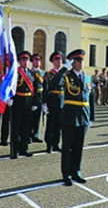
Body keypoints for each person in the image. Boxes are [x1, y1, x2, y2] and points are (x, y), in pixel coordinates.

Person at [52, 49, 95, 186]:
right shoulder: (66, 76)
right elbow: (54, 83)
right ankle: (66, 173)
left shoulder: (88, 78)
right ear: (73, 62)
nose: (81, 63)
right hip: (70, 117)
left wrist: (91, 118)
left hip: (83, 117)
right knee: (67, 147)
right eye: (77, 60)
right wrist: (64, 67)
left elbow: (91, 99)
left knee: (78, 147)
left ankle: (77, 171)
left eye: (82, 60)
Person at [10, 51, 35, 159]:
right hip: (18, 102)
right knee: (16, 127)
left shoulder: (31, 73)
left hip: (28, 102)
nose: (25, 62)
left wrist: (35, 103)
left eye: (27, 60)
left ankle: (24, 148)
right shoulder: (15, 73)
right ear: (19, 61)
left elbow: (35, 89)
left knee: (26, 127)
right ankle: (15, 149)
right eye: (23, 60)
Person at [43, 51, 65, 153]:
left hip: (62, 101)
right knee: (51, 124)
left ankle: (56, 143)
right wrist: (45, 103)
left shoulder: (65, 74)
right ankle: (49, 144)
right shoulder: (49, 74)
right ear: (53, 61)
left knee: (59, 124)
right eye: (57, 59)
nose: (59, 61)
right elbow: (46, 89)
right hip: (52, 101)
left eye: (60, 59)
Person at [29, 53, 45, 143]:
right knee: (30, 118)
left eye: (39, 60)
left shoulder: (43, 73)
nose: (37, 62)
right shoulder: (30, 72)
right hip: (32, 98)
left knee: (37, 118)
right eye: (35, 60)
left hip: (40, 98)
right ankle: (29, 135)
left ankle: (36, 134)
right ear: (32, 62)